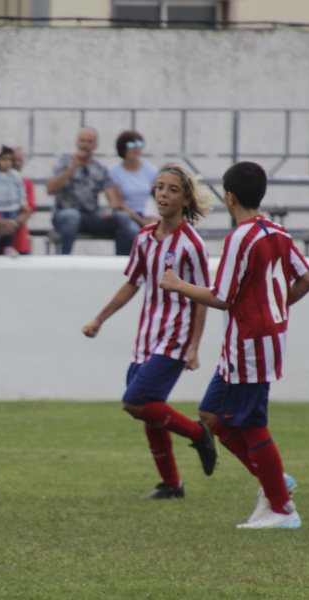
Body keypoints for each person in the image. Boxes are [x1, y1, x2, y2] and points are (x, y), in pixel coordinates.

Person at [160, 161, 309, 529]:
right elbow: (307, 279)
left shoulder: (240, 238)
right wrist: (274, 307)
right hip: (253, 341)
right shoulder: (277, 231)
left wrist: (179, 285)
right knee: (211, 415)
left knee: (251, 425)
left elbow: (223, 297)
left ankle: (281, 509)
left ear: (229, 198)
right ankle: (275, 483)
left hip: (250, 342)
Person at [82, 164, 218, 500]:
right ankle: (172, 484)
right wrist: (99, 319)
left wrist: (195, 347)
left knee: (135, 402)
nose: (163, 194)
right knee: (149, 410)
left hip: (177, 335)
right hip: (147, 337)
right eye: (159, 187)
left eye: (172, 189)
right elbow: (132, 283)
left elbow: (203, 297)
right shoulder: (144, 237)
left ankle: (198, 433)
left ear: (186, 198)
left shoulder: (192, 244)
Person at [47, 127, 138, 255]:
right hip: (64, 215)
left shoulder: (100, 169)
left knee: (123, 218)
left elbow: (114, 200)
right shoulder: (64, 162)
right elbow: (50, 189)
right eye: (82, 141)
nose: (85, 145)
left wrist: (110, 209)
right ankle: (64, 259)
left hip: (90, 216)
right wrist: (72, 168)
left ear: (95, 145)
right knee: (73, 216)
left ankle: (121, 264)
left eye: (89, 142)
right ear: (77, 143)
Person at [0, 146, 36, 255]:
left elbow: (29, 208)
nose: (16, 163)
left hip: (18, 246)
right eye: (14, 159)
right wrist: (3, 223)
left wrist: (14, 223)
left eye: (19, 160)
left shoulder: (25, 184)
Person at [109, 131, 160, 228]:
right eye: (131, 144)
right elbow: (119, 203)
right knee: (131, 230)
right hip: (127, 216)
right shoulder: (114, 172)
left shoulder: (152, 170)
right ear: (123, 148)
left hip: (150, 214)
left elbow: (156, 198)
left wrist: (151, 218)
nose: (136, 148)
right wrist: (142, 222)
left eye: (139, 144)